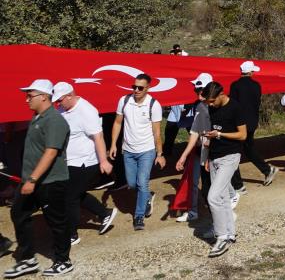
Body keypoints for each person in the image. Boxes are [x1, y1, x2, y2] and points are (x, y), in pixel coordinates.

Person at [4, 79, 73, 278]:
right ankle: (27, 259)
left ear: (44, 96)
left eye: (30, 95)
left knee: (57, 222)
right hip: (32, 180)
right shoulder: (37, 117)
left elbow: (51, 152)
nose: (26, 99)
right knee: (19, 213)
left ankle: (63, 260)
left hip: (50, 182)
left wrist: (32, 180)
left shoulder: (54, 120)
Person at [51, 82, 116, 246]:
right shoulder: (62, 109)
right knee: (75, 193)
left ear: (70, 95)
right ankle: (104, 213)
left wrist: (103, 160)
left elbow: (98, 137)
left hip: (85, 162)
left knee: (70, 197)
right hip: (69, 161)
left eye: (60, 100)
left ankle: (72, 234)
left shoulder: (86, 110)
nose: (58, 103)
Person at [109, 73, 165, 231]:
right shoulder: (124, 100)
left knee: (141, 182)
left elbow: (157, 132)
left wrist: (159, 154)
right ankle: (148, 196)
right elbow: (118, 123)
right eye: (134, 86)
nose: (136, 90)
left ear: (148, 88)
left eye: (140, 87)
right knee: (132, 184)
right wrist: (113, 144)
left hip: (147, 150)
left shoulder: (153, 105)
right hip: (128, 150)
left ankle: (139, 216)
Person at [201, 81, 247, 258]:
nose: (210, 105)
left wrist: (220, 134)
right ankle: (230, 232)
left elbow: (242, 135)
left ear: (221, 94)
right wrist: (207, 157)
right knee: (221, 197)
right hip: (215, 157)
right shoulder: (212, 107)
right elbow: (212, 132)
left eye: (212, 101)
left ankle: (221, 238)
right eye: (208, 102)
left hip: (231, 156)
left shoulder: (235, 108)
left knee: (212, 197)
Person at [229, 61, 279, 190]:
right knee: (248, 148)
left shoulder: (235, 85)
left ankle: (238, 185)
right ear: (250, 72)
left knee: (233, 152)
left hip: (239, 123)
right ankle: (267, 169)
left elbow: (233, 105)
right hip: (252, 121)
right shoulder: (256, 85)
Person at [173, 73, 213, 224]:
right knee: (193, 182)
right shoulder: (197, 105)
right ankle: (192, 211)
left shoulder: (217, 106)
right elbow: (192, 130)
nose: (198, 93)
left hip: (211, 152)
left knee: (212, 184)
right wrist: (184, 156)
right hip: (197, 150)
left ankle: (220, 212)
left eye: (201, 90)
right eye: (196, 90)